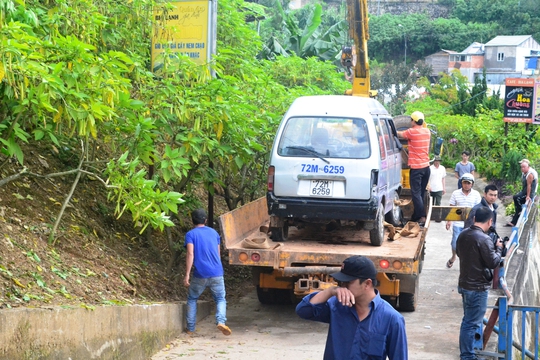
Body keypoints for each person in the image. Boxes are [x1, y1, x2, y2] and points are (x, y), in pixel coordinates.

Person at [295, 255, 408, 360]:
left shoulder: (392, 319)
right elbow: (303, 310)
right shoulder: (336, 305)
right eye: (341, 282)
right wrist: (330, 291)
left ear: (367, 284)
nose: (342, 287)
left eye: (347, 283)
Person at [456, 206, 503, 360]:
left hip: (465, 284)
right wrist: (499, 249)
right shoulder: (484, 239)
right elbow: (493, 262)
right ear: (490, 221)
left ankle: (468, 353)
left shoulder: (463, 234)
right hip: (477, 287)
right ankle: (468, 355)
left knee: (467, 320)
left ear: (475, 219)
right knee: (471, 322)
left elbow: (459, 252)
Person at [184, 209, 231, 336]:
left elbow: (190, 254)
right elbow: (218, 253)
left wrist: (187, 274)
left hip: (200, 273)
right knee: (220, 299)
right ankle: (221, 321)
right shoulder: (214, 233)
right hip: (217, 272)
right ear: (205, 220)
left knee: (192, 298)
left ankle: (190, 329)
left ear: (192, 220)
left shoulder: (191, 234)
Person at [398, 111, 431, 225]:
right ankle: (416, 216)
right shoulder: (427, 131)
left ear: (413, 121)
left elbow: (400, 135)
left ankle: (421, 217)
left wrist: (391, 130)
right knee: (420, 193)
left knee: (416, 194)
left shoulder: (411, 132)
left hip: (416, 169)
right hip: (426, 168)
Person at [445, 173, 481, 268]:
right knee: (455, 244)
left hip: (471, 224)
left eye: (468, 183)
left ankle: (466, 263)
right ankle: (453, 257)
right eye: (464, 183)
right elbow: (451, 208)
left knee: (470, 245)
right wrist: (449, 221)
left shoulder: (476, 194)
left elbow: (478, 209)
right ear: (461, 183)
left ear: (472, 184)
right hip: (458, 223)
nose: (466, 185)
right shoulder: (455, 193)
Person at [506, 159, 538, 227]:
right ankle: (515, 220)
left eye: (524, 167)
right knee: (517, 204)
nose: (522, 168)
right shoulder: (524, 173)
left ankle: (519, 213)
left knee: (516, 198)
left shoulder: (530, 174)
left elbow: (529, 185)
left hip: (529, 192)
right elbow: (524, 184)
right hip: (524, 191)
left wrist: (528, 196)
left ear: (528, 166)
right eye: (521, 167)